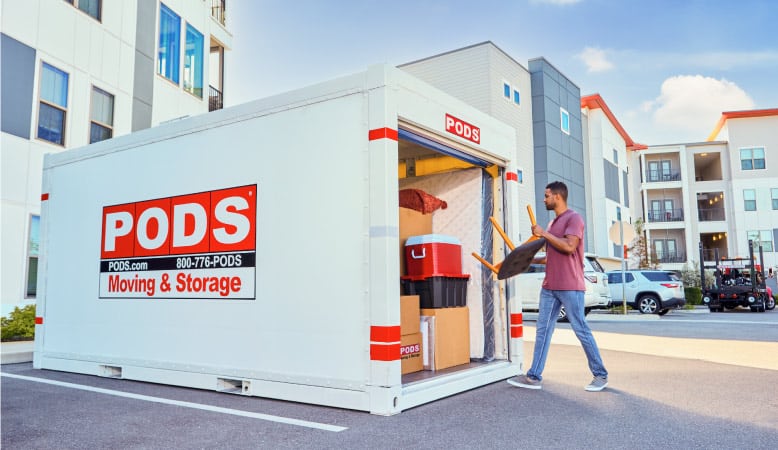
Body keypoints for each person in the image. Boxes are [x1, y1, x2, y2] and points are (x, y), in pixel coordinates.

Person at [508, 181, 609, 392]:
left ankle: (600, 375)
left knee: (580, 329)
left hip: (570, 286)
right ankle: (534, 376)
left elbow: (569, 247)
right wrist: (524, 258)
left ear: (557, 196)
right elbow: (551, 256)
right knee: (543, 331)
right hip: (549, 286)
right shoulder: (553, 224)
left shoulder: (574, 218)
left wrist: (543, 234)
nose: (544, 199)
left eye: (546, 196)